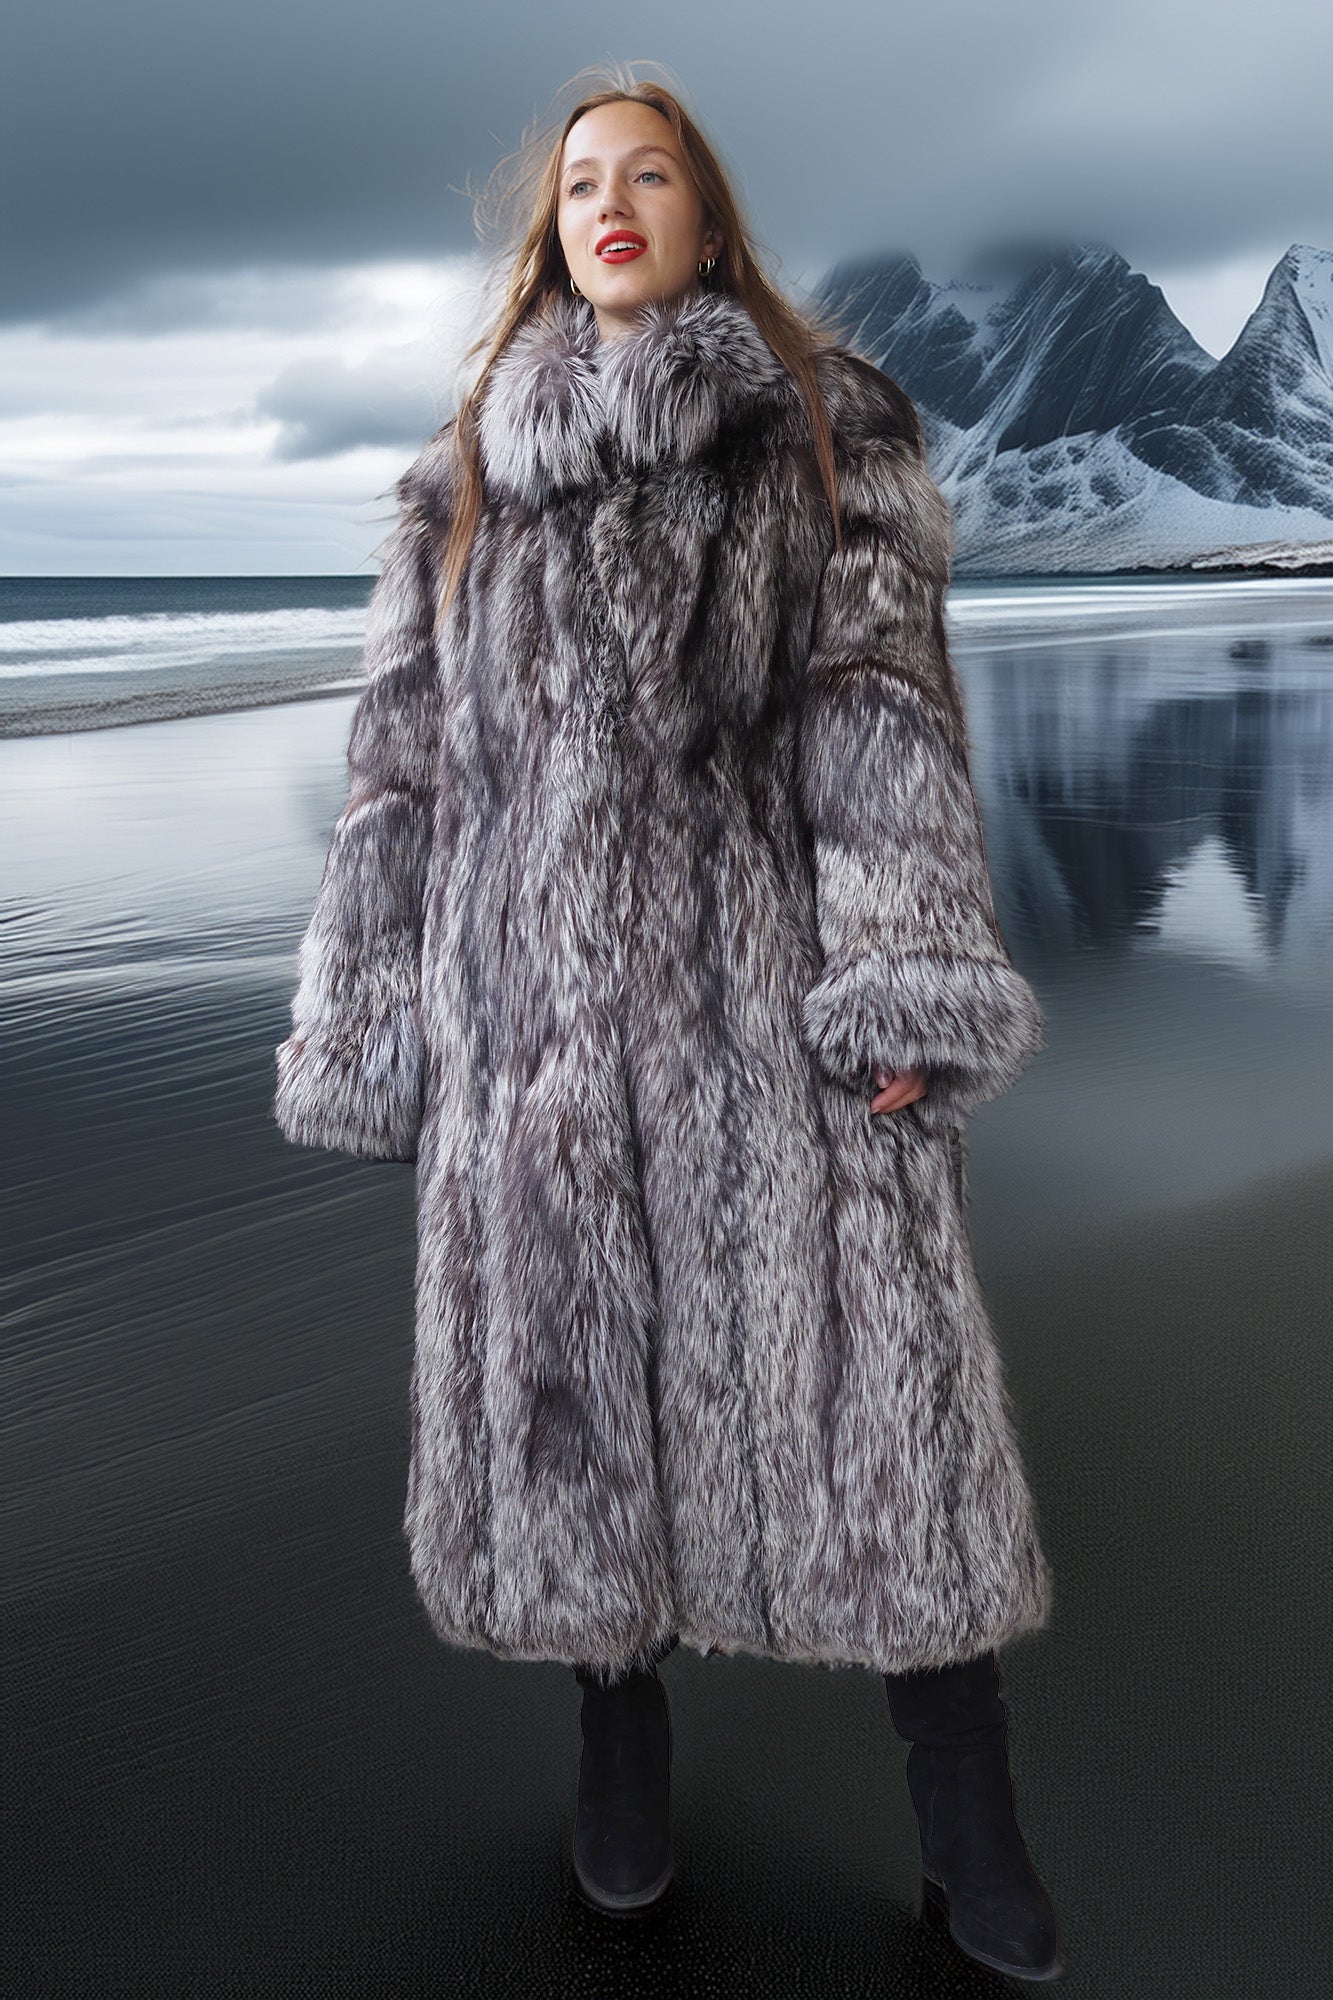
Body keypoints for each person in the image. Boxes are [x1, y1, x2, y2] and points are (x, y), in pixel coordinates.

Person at [272, 68, 1065, 1983]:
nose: (608, 207)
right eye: (578, 188)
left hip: (763, 1027)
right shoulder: (454, 481)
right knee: (579, 1396)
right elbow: (398, 776)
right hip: (529, 1039)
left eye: (651, 179)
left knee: (884, 1404)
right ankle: (615, 1759)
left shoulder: (819, 438)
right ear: (546, 235)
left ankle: (969, 1822)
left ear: (712, 221)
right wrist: (375, 1016)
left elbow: (876, 721)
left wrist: (906, 977)